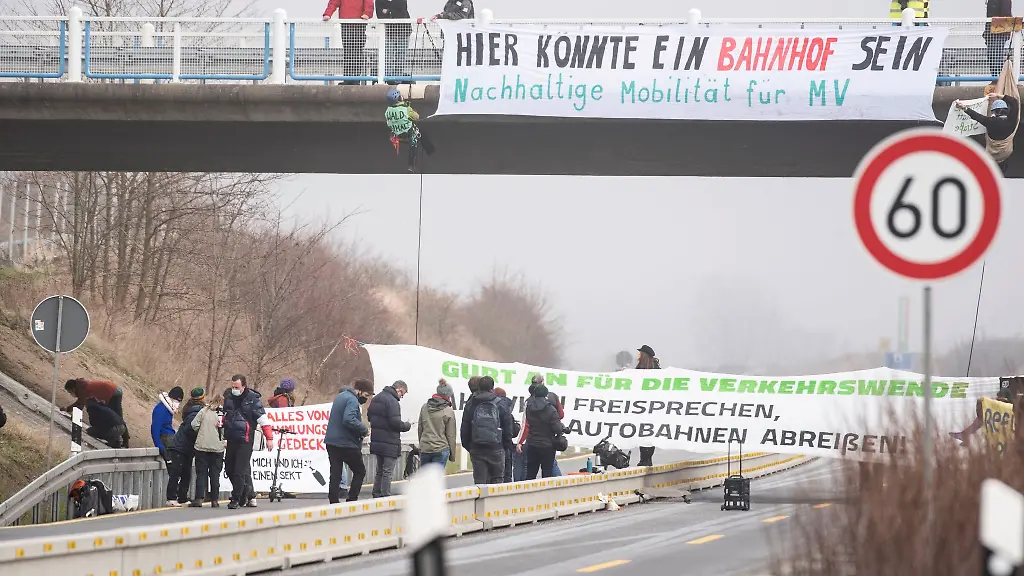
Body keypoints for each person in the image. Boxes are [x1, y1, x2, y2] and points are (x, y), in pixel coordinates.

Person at [222, 375, 275, 509]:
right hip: (232, 438)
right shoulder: (229, 398)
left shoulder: (253, 400)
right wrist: (222, 423)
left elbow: (263, 420)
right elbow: (226, 416)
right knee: (229, 468)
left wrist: (269, 438)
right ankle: (246, 491)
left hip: (245, 440)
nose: (234, 389)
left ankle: (236, 498)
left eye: (237, 387)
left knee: (239, 470)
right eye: (233, 386)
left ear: (243, 386)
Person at [325, 379, 374, 503]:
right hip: (346, 443)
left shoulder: (340, 397)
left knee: (335, 472)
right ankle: (352, 499)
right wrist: (364, 430)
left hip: (331, 442)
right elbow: (349, 419)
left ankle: (333, 501)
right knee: (360, 471)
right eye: (366, 395)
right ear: (359, 390)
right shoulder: (352, 400)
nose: (366, 398)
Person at [461, 375, 514, 484]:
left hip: (476, 448)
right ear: (492, 387)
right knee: (497, 482)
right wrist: (505, 446)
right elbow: (508, 428)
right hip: (496, 448)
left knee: (480, 483)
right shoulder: (500, 403)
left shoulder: (471, 403)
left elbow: (465, 428)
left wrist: (470, 446)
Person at [367, 380, 411, 498]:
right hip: (389, 441)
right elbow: (395, 423)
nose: (401, 397)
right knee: (387, 471)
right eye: (403, 394)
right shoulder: (393, 402)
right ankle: (385, 494)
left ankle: (376, 493)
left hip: (377, 440)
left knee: (380, 470)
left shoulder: (376, 398)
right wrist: (407, 425)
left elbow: (369, 417)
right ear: (399, 390)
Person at [957, 92, 1020, 173]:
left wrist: (964, 108)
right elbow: (1014, 102)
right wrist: (998, 95)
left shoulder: (990, 122)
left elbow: (976, 116)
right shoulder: (1011, 120)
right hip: (1006, 152)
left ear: (994, 112)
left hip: (992, 154)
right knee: (1003, 169)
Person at [164, 388, 205, 507]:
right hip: (181, 446)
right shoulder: (196, 413)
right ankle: (171, 497)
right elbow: (191, 429)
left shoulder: (189, 409)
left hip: (186, 447)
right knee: (176, 473)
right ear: (202, 398)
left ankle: (182, 497)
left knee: (186, 473)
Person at [64, 378, 129, 446]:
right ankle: (121, 439)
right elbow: (80, 402)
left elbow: (80, 404)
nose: (70, 394)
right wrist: (68, 409)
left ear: (73, 389)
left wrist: (74, 418)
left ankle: (124, 441)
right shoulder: (82, 386)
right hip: (113, 389)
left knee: (118, 417)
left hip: (114, 392)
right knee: (115, 418)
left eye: (70, 392)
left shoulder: (82, 389)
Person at [322, 0, 371, 84]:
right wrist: (328, 14)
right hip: (345, 23)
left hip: (359, 23)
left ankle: (356, 79)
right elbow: (334, 2)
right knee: (348, 52)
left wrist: (367, 13)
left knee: (357, 52)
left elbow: (369, 3)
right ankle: (347, 79)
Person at [385, 88, 434, 172]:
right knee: (421, 138)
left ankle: (412, 166)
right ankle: (414, 163)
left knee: (413, 141)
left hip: (396, 136)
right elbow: (417, 117)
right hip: (408, 134)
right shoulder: (406, 109)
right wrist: (409, 108)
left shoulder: (387, 111)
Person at [191, 392, 226, 507]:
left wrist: (201, 432)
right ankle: (214, 500)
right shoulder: (224, 414)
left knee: (201, 473)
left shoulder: (204, 411)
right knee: (215, 474)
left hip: (202, 446)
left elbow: (194, 424)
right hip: (218, 448)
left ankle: (199, 498)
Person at [524, 383, 565, 479]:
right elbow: (557, 429)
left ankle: (529, 492)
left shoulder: (529, 407)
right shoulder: (551, 409)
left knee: (531, 472)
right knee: (547, 472)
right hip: (547, 445)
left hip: (532, 443)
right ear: (546, 394)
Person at [418, 379, 457, 468]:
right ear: (448, 396)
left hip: (425, 447)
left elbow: (420, 428)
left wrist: (422, 445)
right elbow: (451, 435)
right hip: (441, 448)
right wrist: (452, 455)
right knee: (436, 479)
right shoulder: (448, 411)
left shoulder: (424, 407)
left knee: (424, 478)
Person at [635, 345, 661, 467]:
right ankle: (644, 458)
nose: (638, 356)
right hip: (641, 408)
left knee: (648, 433)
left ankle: (646, 458)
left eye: (640, 353)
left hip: (653, 408)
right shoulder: (639, 369)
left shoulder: (656, 370)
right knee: (642, 433)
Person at [376, 0, 411, 83]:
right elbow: (380, 15)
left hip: (403, 31)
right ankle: (388, 80)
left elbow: (402, 13)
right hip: (389, 32)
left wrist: (388, 11)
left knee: (401, 57)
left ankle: (398, 80)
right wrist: (393, 12)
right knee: (388, 56)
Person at [493, 387, 520, 482]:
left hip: (490, 444)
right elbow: (511, 431)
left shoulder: (485, 406)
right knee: (506, 475)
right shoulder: (505, 408)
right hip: (504, 445)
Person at [152, 386, 185, 459]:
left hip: (170, 438)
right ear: (171, 398)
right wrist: (159, 445)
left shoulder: (168, 409)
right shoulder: (161, 409)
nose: (178, 404)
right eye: (177, 401)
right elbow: (155, 428)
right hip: (166, 439)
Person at [985, 0, 1013, 77]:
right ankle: (995, 78)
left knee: (996, 55)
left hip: (999, 32)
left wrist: (1006, 30)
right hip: (992, 32)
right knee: (992, 55)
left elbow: (1006, 14)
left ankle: (999, 79)